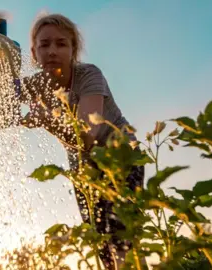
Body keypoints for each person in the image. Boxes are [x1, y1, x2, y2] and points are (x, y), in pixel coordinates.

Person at [19, 14, 146, 270]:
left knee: (121, 234)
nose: (52, 51)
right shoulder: (36, 85)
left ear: (73, 49)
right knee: (101, 241)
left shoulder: (89, 75)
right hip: (85, 170)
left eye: (61, 44)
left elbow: (88, 136)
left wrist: (46, 120)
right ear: (34, 52)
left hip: (121, 156)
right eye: (44, 45)